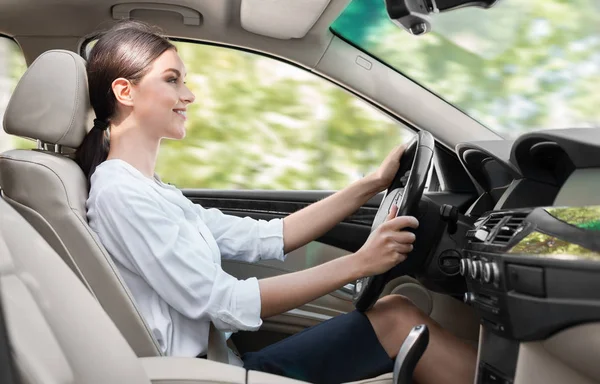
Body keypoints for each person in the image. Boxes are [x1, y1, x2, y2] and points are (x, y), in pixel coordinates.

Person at [78, 20, 476, 384]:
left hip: (220, 363)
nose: (189, 95)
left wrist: (371, 184)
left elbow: (267, 236)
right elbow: (222, 303)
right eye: (172, 80)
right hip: (208, 376)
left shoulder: (149, 189)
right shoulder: (121, 193)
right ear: (124, 90)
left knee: (396, 310)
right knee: (399, 318)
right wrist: (361, 262)